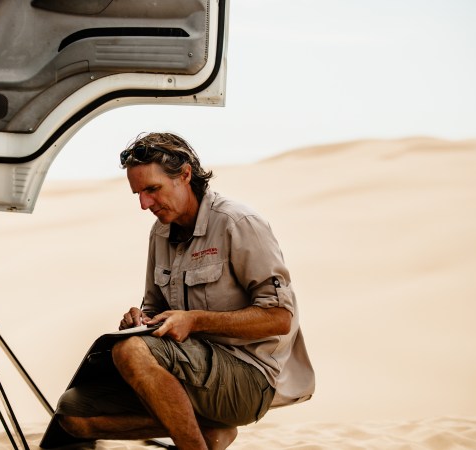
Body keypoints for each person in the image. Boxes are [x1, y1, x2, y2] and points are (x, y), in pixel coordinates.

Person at [54, 132, 314, 450]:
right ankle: (206, 432)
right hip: (184, 374)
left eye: (152, 189)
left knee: (131, 351)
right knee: (72, 413)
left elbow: (279, 318)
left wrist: (194, 321)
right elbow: (153, 305)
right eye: (138, 193)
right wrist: (141, 318)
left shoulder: (238, 223)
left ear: (185, 175)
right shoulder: (160, 233)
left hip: (248, 377)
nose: (144, 204)